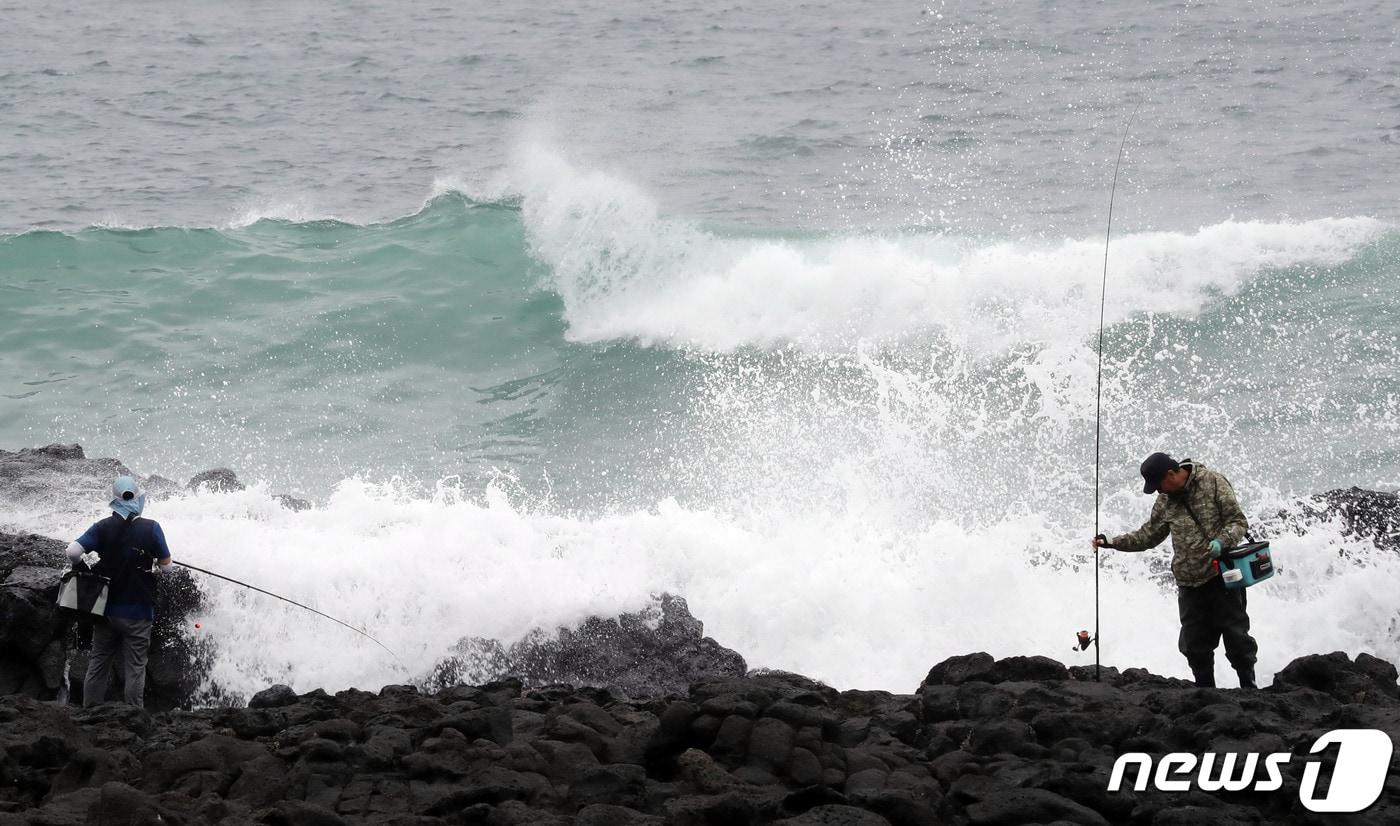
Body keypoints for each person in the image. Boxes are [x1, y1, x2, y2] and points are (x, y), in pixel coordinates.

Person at [1091, 452, 1258, 689]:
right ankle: (1206, 692)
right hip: (1188, 584)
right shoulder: (1165, 500)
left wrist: (1222, 542)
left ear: (1171, 474)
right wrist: (1111, 542)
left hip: (1221, 576)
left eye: (1158, 485)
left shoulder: (1212, 481)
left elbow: (1238, 521)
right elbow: (1148, 536)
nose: (1158, 491)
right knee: (1194, 645)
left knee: (1237, 638)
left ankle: (1249, 688)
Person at [66, 476, 173, 707]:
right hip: (139, 611)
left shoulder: (102, 527)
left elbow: (73, 551)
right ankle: (133, 715)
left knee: (98, 662)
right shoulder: (152, 528)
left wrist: (82, 568)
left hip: (105, 610)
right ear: (138, 499)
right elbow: (167, 568)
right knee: (135, 667)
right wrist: (156, 562)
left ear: (115, 500)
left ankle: (89, 711)